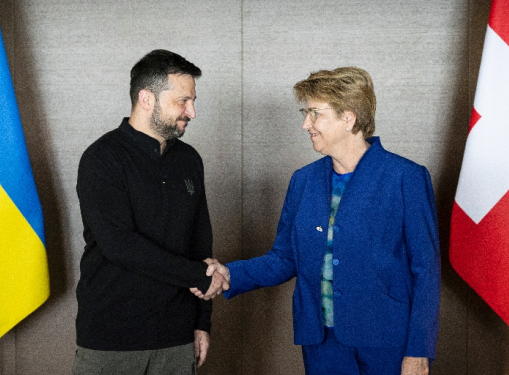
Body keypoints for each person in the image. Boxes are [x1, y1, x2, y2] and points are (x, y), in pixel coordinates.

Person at [195, 67, 440, 375]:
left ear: (348, 118)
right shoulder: (304, 181)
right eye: (305, 112)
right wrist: (230, 273)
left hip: (388, 344)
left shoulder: (406, 178)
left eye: (315, 113)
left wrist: (419, 351)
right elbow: (284, 258)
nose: (304, 124)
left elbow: (426, 272)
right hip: (322, 344)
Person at [73, 49, 228, 375]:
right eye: (182, 101)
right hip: (111, 342)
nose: (193, 112)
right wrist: (200, 276)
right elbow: (120, 246)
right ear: (146, 99)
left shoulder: (189, 160)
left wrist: (202, 322)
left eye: (193, 101)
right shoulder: (102, 159)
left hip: (176, 338)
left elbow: (201, 247)